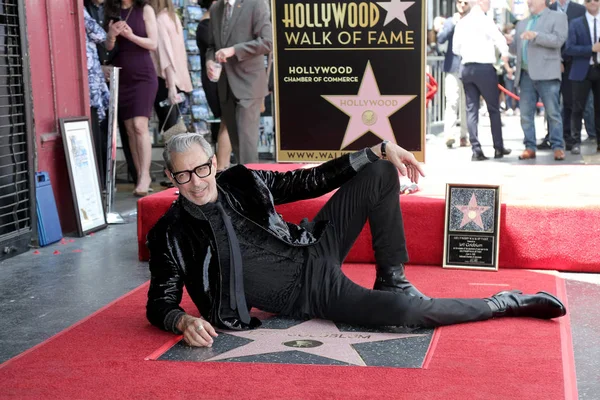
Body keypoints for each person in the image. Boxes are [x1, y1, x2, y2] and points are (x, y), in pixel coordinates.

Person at [146, 133, 566, 347]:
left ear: (213, 163)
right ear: (171, 177)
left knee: (380, 171)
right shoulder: (169, 233)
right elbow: (160, 302)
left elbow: (308, 180)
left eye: (201, 170)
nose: (196, 183)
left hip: (314, 243)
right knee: (405, 313)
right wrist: (180, 320)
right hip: (307, 292)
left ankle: (392, 274)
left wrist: (379, 149)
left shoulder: (241, 180)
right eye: (183, 176)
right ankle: (503, 303)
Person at [205, 0, 272, 164]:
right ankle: (244, 182)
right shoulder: (215, 8)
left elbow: (267, 42)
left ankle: (252, 185)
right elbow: (211, 46)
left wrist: (234, 50)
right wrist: (209, 61)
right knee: (236, 143)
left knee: (246, 144)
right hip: (225, 84)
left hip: (249, 83)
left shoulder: (256, 4)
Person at [105, 0, 158, 197]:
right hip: (121, 76)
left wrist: (130, 35)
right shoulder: (110, 10)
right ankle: (139, 175)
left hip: (143, 76)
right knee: (129, 130)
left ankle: (145, 175)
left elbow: (153, 43)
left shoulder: (145, 10)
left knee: (139, 125)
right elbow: (108, 48)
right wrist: (112, 35)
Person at [452, 0, 513, 161]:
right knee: (493, 108)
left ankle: (476, 149)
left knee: (471, 109)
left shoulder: (462, 22)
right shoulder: (486, 20)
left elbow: (455, 48)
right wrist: (505, 54)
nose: (490, 3)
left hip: (467, 67)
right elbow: (499, 39)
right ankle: (498, 147)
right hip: (484, 68)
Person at [510, 0, 568, 161]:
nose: (529, 2)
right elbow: (516, 49)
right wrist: (509, 43)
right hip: (525, 75)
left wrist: (536, 35)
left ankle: (557, 147)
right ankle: (530, 147)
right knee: (526, 115)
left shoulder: (558, 17)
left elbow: (558, 40)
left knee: (553, 113)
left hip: (548, 74)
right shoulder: (522, 23)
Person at [197, 0, 232, 172]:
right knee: (227, 121)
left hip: (218, 76)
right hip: (215, 78)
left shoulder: (213, 22)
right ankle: (221, 166)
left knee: (228, 122)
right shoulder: (207, 24)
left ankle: (222, 165)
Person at [149, 0, 193, 133]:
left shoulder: (159, 21)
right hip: (180, 81)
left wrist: (171, 86)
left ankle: (174, 154)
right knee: (176, 129)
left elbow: (165, 55)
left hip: (167, 82)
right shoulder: (173, 18)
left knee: (171, 130)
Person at [565, 0, 600, 154]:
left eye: (596, 0)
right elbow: (569, 48)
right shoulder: (575, 23)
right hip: (581, 70)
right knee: (577, 108)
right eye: (589, 0)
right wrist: (591, 49)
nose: (593, 2)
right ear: (585, 4)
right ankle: (575, 142)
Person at [437, 0, 471, 149]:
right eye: (459, 2)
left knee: (467, 104)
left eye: (465, 2)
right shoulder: (451, 21)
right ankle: (449, 135)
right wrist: (452, 24)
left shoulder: (473, 20)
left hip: (470, 67)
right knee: (451, 101)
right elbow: (440, 38)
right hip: (453, 67)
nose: (462, 5)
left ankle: (465, 136)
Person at [83, 9, 111, 187]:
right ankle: (100, 182)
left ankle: (101, 182)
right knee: (97, 132)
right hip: (90, 80)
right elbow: (100, 34)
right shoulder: (81, 10)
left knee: (99, 130)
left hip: (92, 79)